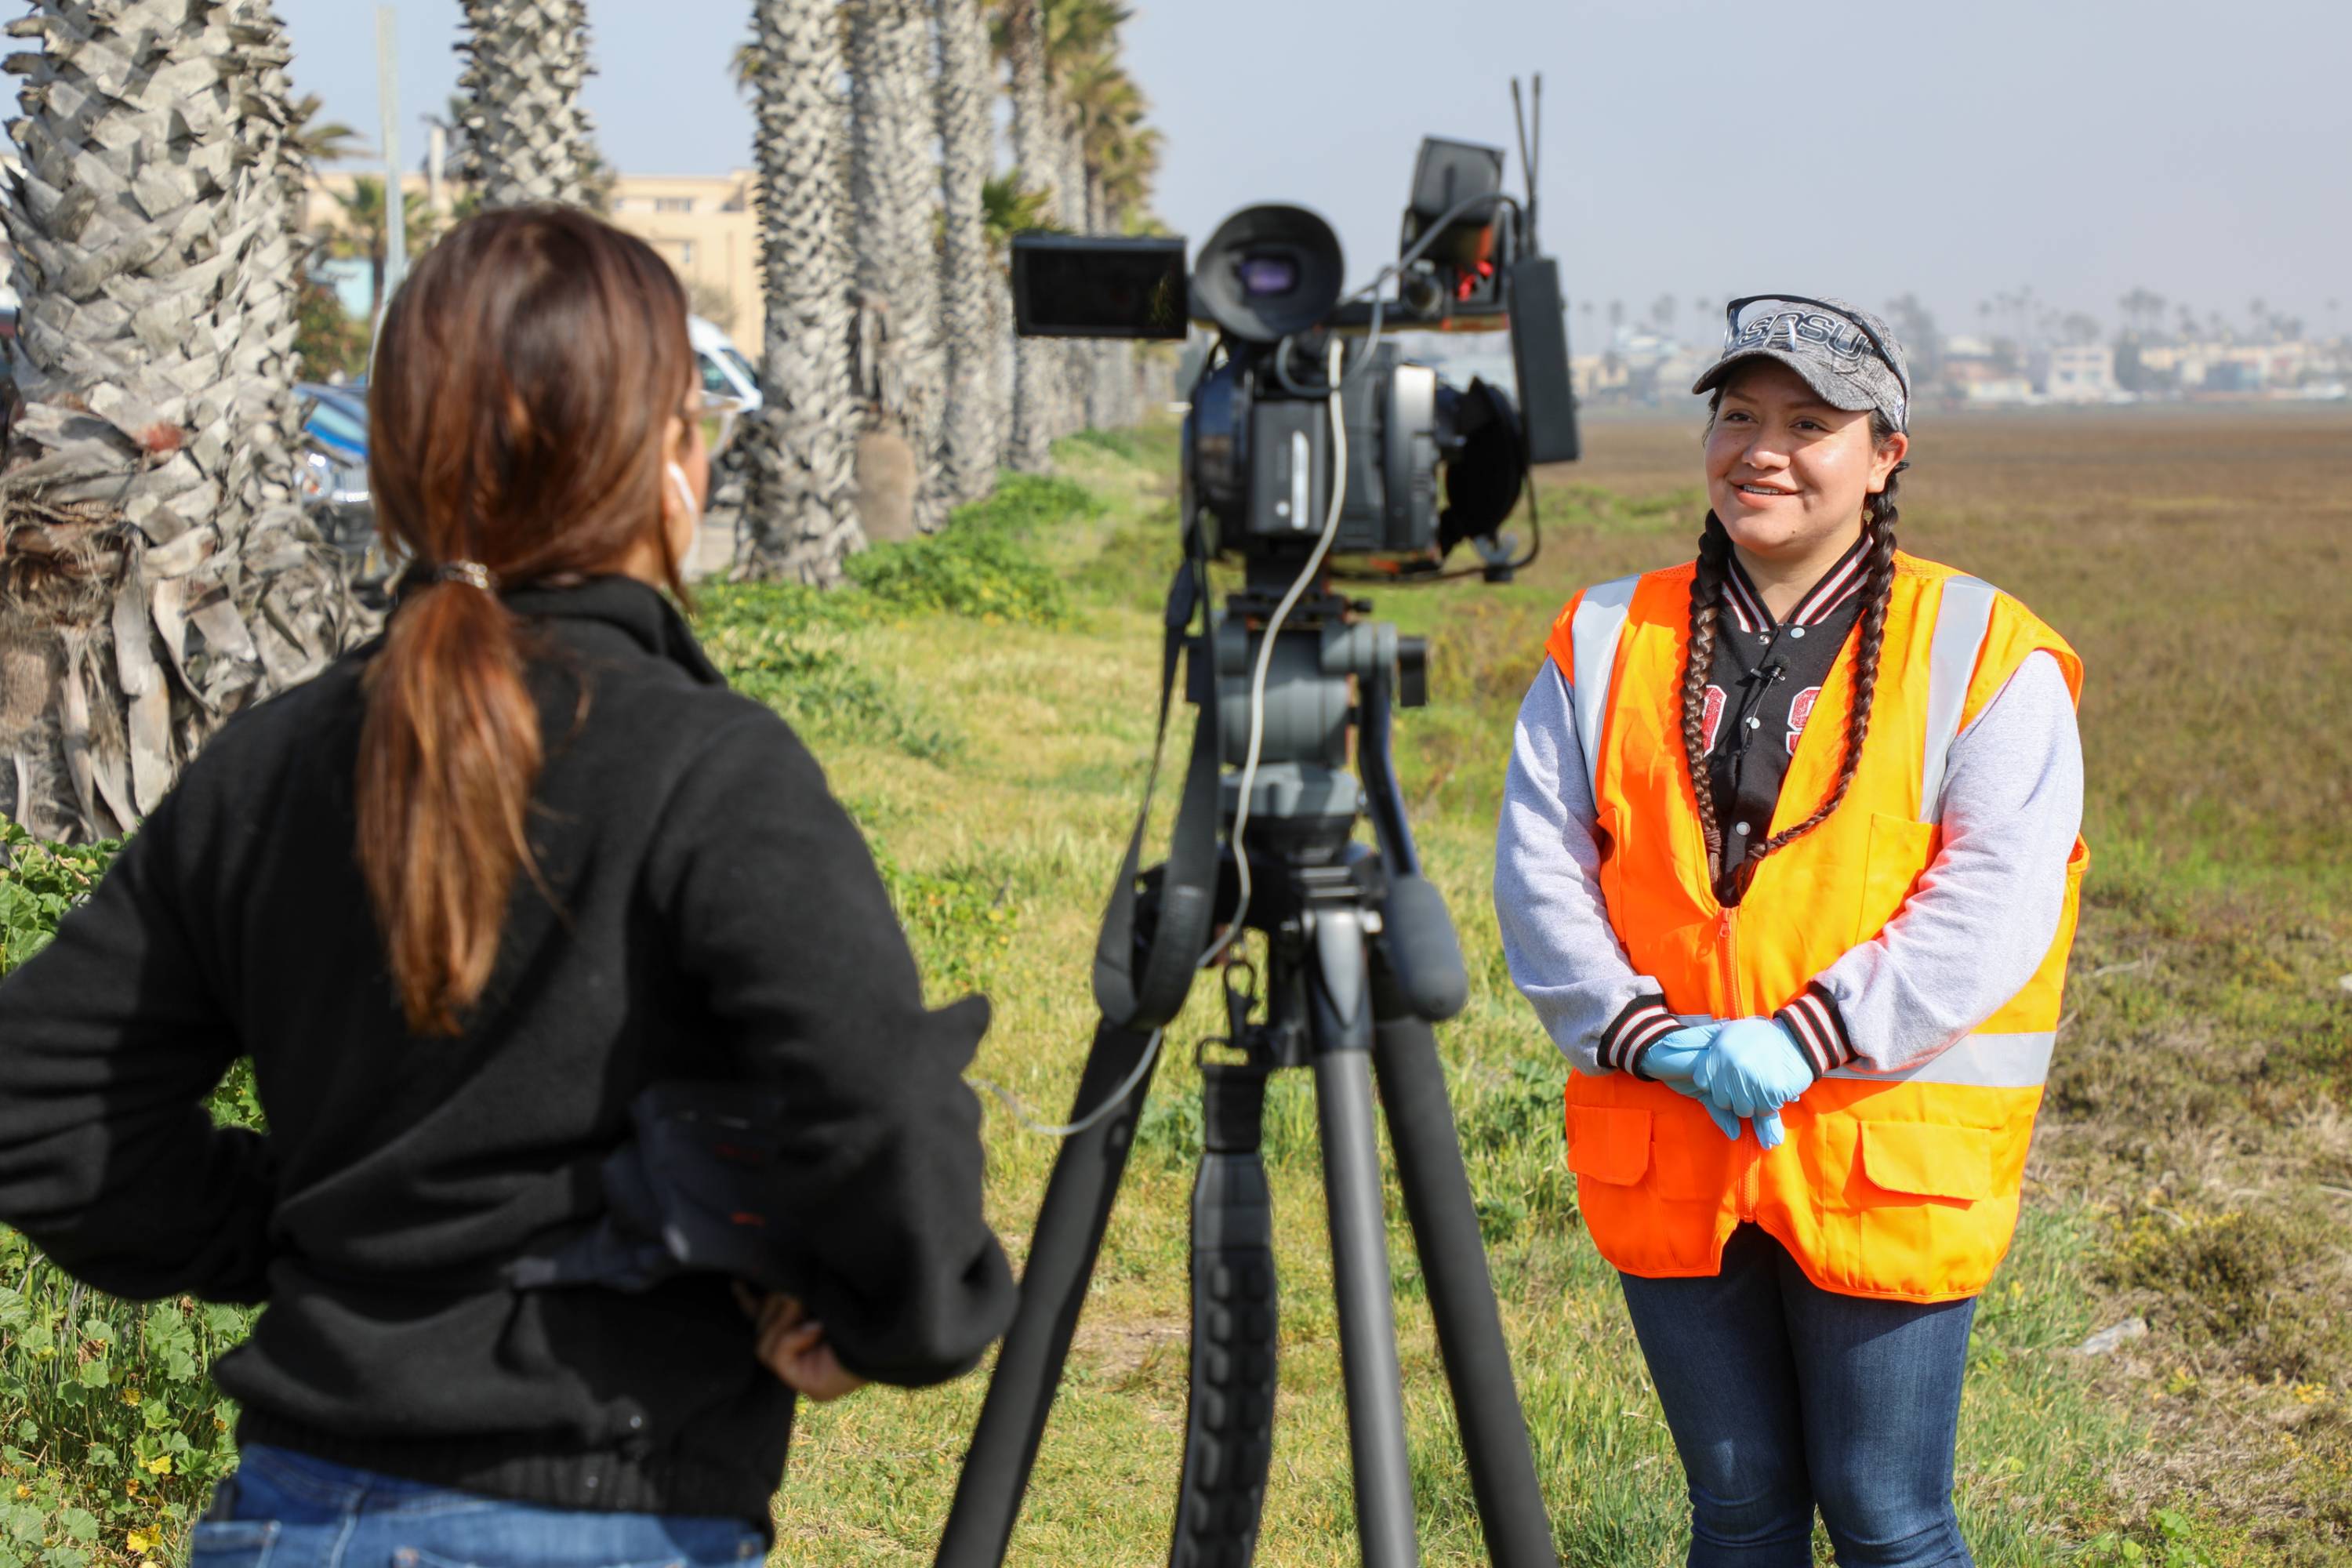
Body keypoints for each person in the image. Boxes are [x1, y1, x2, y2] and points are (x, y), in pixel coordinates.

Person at [0, 207, 1013, 1566]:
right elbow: (879, 1097)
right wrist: (881, 1305)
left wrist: (302, 1229)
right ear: (670, 462)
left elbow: (38, 1101)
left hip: (289, 1519)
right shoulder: (708, 766)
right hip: (609, 1510)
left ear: (403, 463)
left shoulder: (276, 760)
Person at [1495, 298, 2087, 1567]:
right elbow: (1542, 875)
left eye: (1810, 424)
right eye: (1738, 416)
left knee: (1887, 1514)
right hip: (1669, 1131)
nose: (1762, 449)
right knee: (1741, 1508)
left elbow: (1996, 901)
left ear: (1885, 457)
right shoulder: (1605, 637)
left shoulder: (1984, 647)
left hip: (1884, 1152)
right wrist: (1655, 1040)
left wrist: (1810, 1034)